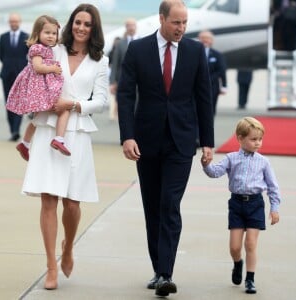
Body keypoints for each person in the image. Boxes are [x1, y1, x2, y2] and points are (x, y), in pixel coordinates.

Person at [117, 0, 214, 297]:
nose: (182, 28)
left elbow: (203, 98)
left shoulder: (195, 51)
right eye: (176, 22)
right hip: (145, 141)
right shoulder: (138, 49)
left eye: (185, 23)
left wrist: (208, 141)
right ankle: (159, 268)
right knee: (153, 207)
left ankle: (165, 273)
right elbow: (124, 94)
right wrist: (127, 136)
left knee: (170, 204)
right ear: (161, 19)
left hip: (181, 142)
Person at [21, 3, 108, 290]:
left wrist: (73, 104)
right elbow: (33, 71)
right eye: (78, 22)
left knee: (72, 204)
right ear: (71, 24)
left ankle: (68, 246)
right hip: (48, 129)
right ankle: (50, 267)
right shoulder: (53, 49)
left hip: (77, 131)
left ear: (93, 29)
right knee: (48, 200)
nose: (81, 28)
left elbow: (102, 101)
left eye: (87, 24)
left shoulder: (100, 61)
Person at [201, 117, 281, 294]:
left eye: (260, 139)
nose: (257, 143)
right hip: (237, 204)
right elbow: (215, 173)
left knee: (251, 244)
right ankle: (238, 263)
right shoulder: (231, 158)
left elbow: (273, 187)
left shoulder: (264, 162)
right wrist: (206, 165)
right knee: (235, 247)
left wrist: (274, 208)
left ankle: (250, 279)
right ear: (240, 138)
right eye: (253, 139)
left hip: (255, 205)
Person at [6, 15, 68, 162]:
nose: (51, 36)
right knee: (62, 109)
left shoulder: (46, 48)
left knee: (38, 118)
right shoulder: (38, 48)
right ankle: (58, 139)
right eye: (47, 33)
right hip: (39, 89)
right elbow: (38, 67)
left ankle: (25, 143)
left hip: (41, 87)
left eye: (54, 33)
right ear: (37, 33)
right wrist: (53, 68)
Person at [0, 13, 29, 141]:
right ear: (9, 23)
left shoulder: (26, 37)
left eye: (15, 21)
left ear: (20, 22)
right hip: (6, 74)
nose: (13, 24)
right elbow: (1, 55)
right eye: (11, 21)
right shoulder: (3, 37)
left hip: (21, 75)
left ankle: (16, 130)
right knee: (9, 103)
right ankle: (13, 131)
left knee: (20, 102)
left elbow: (30, 56)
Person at [109, 18, 138, 120]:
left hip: (139, 81)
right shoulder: (120, 44)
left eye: (133, 25)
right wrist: (112, 82)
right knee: (123, 103)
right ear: (126, 28)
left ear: (136, 26)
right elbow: (115, 63)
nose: (131, 28)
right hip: (123, 80)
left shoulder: (142, 41)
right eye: (129, 26)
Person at [198, 30, 227, 115]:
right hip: (197, 87)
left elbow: (222, 70)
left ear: (212, 40)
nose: (205, 40)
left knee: (211, 110)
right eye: (203, 38)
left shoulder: (217, 55)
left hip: (212, 87)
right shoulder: (193, 53)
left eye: (207, 38)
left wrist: (224, 86)